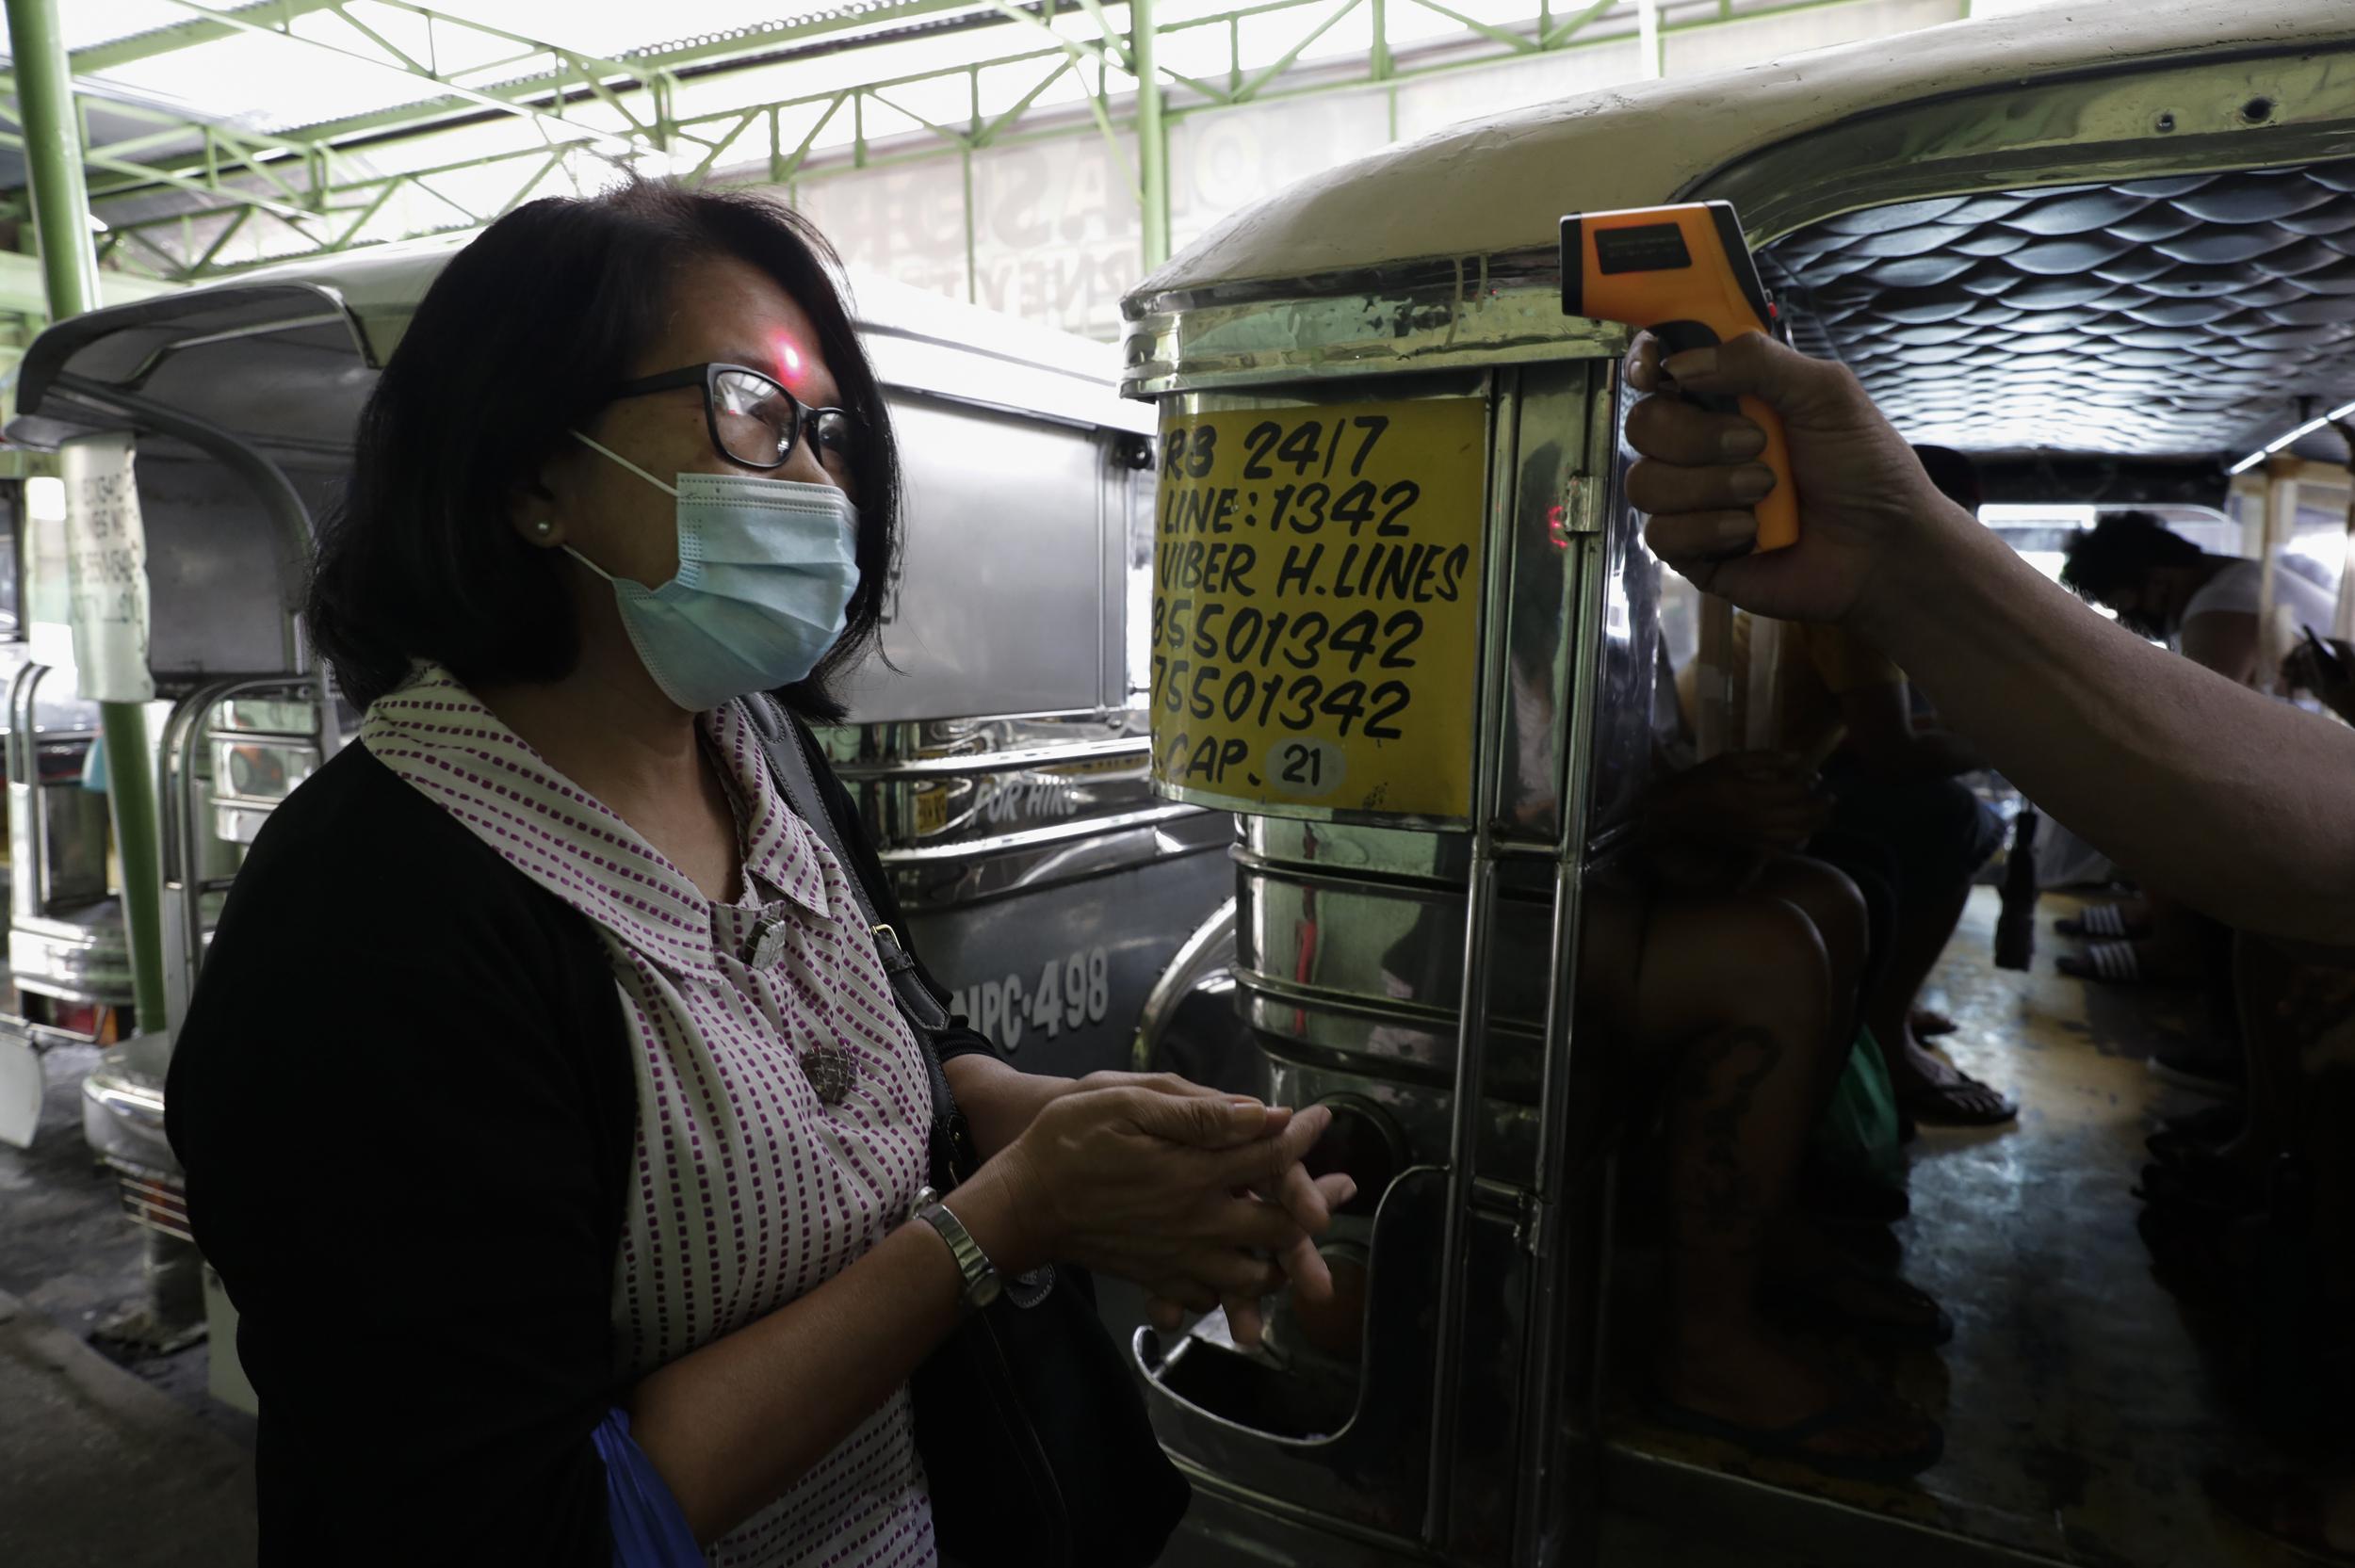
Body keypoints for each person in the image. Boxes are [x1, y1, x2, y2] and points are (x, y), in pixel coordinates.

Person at [164, 181, 1350, 1565]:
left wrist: (1050, 1118)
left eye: (832, 432)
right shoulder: (369, 924)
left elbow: (893, 1023)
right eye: (756, 410)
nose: (822, 480)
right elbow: (515, 1521)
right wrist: (997, 1227)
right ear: (531, 471)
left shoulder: (756, 746)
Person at [1619, 325, 2355, 1560]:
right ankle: (1726, 1302)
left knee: (1857, 876)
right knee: (1890, 844)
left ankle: (1795, 1191)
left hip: (1730, 822)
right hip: (1692, 836)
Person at [2046, 511, 2336, 992]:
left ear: (2159, 580)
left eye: (2125, 604)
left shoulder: (2220, 606)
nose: (2127, 620)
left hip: (2313, 776)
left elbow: (2196, 730)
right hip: (2309, 759)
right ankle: (2154, 914)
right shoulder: (2234, 579)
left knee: (2157, 792)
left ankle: (2173, 948)